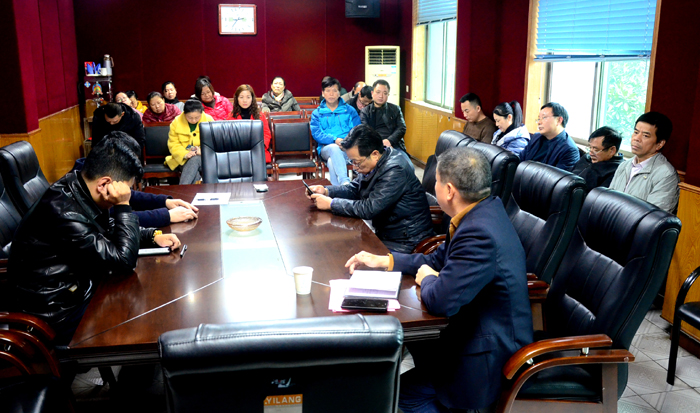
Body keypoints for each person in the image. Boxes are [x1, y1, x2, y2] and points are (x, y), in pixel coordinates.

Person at [344, 147, 532, 412]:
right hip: (471, 329)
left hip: (487, 357)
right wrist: (386, 261)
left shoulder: (479, 233)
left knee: (401, 395)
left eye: (436, 181)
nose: (433, 186)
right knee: (397, 375)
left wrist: (429, 280)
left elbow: (441, 301)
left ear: (449, 191)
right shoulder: (480, 212)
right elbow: (436, 260)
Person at [7, 137, 181, 344]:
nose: (124, 195)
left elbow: (107, 229)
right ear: (104, 184)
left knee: (146, 302)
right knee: (142, 322)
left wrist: (152, 236)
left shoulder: (78, 185)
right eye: (124, 190)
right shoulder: (64, 212)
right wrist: (123, 205)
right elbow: (123, 261)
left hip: (77, 288)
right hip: (57, 312)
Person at [307, 124, 433, 253]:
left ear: (375, 154)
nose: (354, 167)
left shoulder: (395, 169)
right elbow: (355, 189)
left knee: (346, 252)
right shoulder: (374, 163)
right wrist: (327, 191)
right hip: (387, 232)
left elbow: (370, 208)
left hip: (406, 240)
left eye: (356, 162)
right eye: (352, 162)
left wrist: (332, 204)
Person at [72, 132, 199, 227]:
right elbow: (114, 221)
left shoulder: (88, 172)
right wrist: (166, 216)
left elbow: (130, 195)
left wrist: (164, 202)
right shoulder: (75, 210)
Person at [609, 112, 680, 213]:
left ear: (659, 144)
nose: (636, 138)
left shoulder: (666, 175)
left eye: (645, 136)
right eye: (636, 132)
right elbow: (608, 200)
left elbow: (653, 217)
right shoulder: (624, 165)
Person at [310, 77, 361, 185]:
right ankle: (345, 181)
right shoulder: (317, 113)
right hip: (326, 148)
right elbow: (317, 134)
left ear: (339, 93)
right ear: (323, 93)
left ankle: (338, 191)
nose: (331, 94)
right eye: (328, 91)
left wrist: (346, 143)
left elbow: (357, 130)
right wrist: (335, 140)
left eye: (334, 90)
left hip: (348, 148)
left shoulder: (349, 110)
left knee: (331, 161)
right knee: (334, 148)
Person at [520, 102, 580, 172]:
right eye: (539, 119)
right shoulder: (536, 137)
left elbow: (558, 177)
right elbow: (520, 160)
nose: (539, 122)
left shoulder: (569, 150)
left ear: (559, 120)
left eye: (544, 117)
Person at [166, 100, 214, 184]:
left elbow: (214, 141)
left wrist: (202, 151)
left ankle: (182, 189)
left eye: (197, 117)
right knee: (193, 170)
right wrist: (185, 154)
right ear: (184, 114)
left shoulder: (209, 120)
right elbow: (173, 144)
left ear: (202, 113)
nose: (194, 120)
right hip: (183, 159)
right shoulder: (176, 122)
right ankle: (194, 190)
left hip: (204, 158)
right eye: (190, 118)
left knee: (195, 159)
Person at [227, 84, 272, 164]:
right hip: (238, 152)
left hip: (257, 151)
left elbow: (266, 134)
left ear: (252, 98)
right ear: (237, 99)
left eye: (248, 97)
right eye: (241, 97)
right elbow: (229, 136)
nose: (245, 100)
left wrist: (260, 146)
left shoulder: (260, 115)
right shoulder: (231, 116)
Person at [360, 80, 407, 153]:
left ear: (388, 95)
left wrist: (390, 141)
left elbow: (401, 128)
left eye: (385, 93)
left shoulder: (395, 109)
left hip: (394, 144)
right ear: (372, 93)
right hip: (374, 145)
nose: (381, 96)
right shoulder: (365, 112)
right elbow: (366, 132)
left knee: (401, 158)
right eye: (378, 92)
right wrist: (381, 145)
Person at [572, 126, 624, 191]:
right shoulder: (587, 157)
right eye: (590, 148)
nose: (590, 153)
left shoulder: (617, 171)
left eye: (596, 150)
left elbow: (597, 195)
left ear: (612, 150)